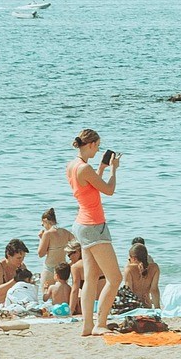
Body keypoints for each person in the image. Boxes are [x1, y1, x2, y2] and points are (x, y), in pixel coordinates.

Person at [66, 128, 122, 337]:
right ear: (90, 144)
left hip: (81, 224)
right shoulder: (84, 168)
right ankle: (100, 323)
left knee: (90, 278)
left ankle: (88, 325)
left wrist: (101, 167)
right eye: (97, 146)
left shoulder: (73, 166)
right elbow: (108, 190)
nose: (98, 150)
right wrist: (113, 170)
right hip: (93, 225)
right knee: (115, 278)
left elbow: (90, 187)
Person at [37, 209, 75, 296]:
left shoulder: (47, 234)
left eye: (43, 224)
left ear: (46, 220)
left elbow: (40, 254)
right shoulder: (65, 232)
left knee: (46, 296)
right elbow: (77, 246)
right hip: (63, 270)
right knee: (62, 296)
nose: (43, 226)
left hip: (50, 269)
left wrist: (41, 239)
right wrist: (72, 262)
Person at [124, 241, 161, 308]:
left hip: (134, 307)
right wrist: (157, 308)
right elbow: (154, 290)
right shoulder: (155, 267)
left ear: (134, 258)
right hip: (147, 305)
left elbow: (129, 292)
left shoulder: (129, 269)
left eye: (129, 258)